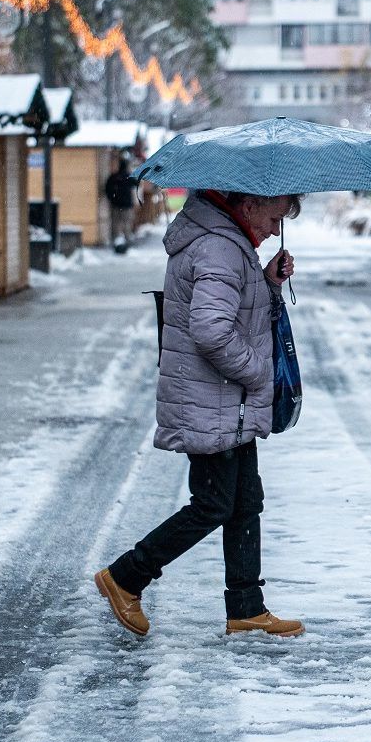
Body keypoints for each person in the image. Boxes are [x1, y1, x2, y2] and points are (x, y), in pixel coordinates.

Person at [95, 189, 303, 638]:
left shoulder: (229, 243)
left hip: (226, 400)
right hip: (212, 398)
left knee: (246, 501)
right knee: (212, 504)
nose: (272, 230)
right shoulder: (220, 248)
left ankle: (246, 607)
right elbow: (211, 331)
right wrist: (258, 372)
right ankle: (126, 577)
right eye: (273, 217)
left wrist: (267, 282)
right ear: (248, 205)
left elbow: (234, 313)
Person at [103, 153, 139, 251]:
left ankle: (116, 242)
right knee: (126, 224)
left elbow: (107, 189)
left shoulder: (113, 177)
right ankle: (127, 243)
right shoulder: (128, 176)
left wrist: (112, 199)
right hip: (127, 205)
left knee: (115, 224)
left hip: (116, 205)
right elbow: (136, 183)